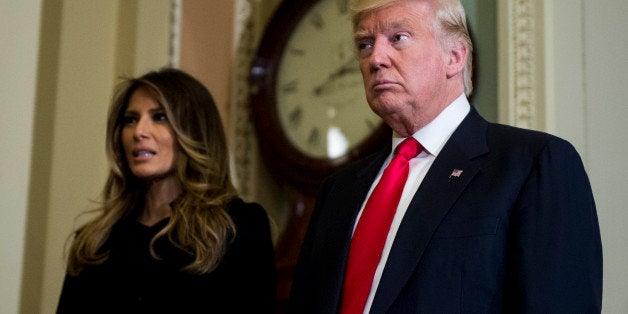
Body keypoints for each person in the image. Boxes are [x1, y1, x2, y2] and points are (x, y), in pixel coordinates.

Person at [289, 0, 603, 313]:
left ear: (454, 56)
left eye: (398, 38)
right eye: (365, 44)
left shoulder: (533, 164)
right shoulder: (338, 190)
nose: (375, 58)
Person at [57, 68, 276, 313]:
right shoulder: (93, 242)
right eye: (130, 119)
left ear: (194, 130)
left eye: (159, 117)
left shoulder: (238, 227)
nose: (139, 132)